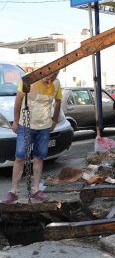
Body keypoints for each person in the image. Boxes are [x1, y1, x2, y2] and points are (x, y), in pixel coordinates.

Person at [2, 72, 62, 203]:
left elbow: (58, 102)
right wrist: (16, 121)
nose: (50, 80)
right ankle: (13, 191)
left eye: (54, 76)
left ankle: (36, 190)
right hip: (26, 125)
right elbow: (18, 99)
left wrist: (55, 120)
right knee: (20, 157)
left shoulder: (56, 84)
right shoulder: (28, 80)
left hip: (44, 127)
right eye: (48, 76)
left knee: (39, 158)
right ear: (44, 71)